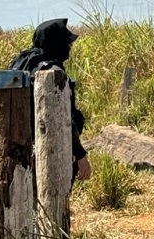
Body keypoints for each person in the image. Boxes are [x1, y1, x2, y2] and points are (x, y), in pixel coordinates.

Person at [9, 18, 92, 184]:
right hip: (50, 148)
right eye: (66, 42)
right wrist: (80, 155)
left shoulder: (22, 63)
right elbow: (64, 119)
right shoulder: (53, 73)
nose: (70, 46)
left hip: (20, 147)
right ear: (56, 42)